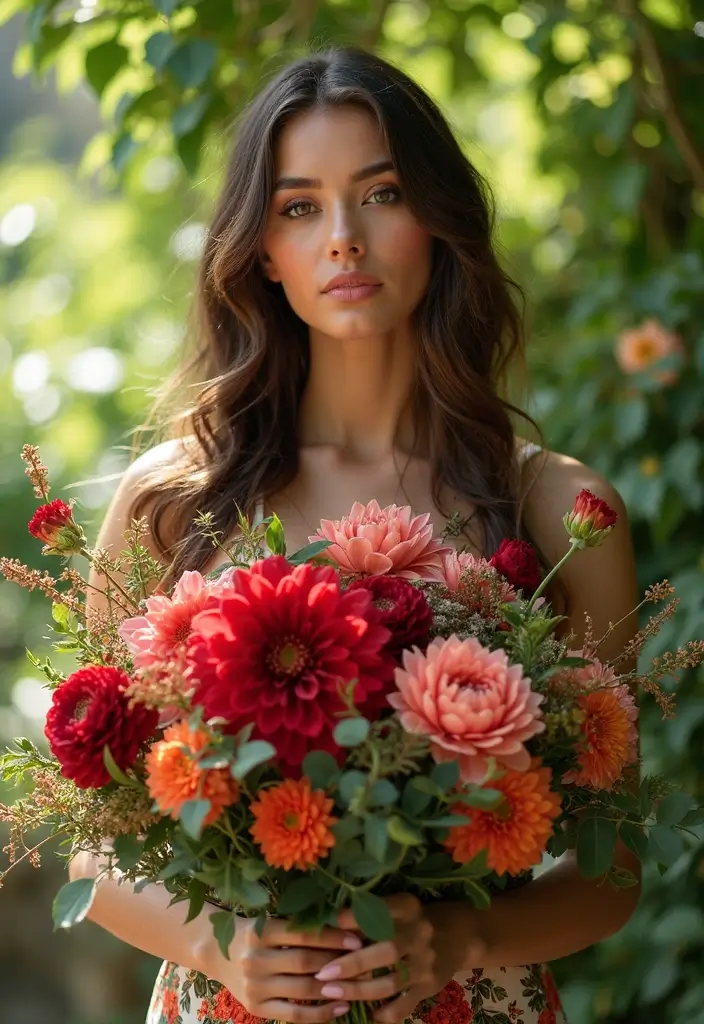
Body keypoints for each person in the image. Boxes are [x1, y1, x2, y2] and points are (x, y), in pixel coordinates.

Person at [72, 46, 641, 1024]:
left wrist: (461, 937)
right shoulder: (170, 503)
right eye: (298, 206)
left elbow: (613, 865)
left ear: (437, 218)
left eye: (378, 194)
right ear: (259, 248)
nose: (341, 238)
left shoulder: (555, 516)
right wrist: (221, 943)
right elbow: (92, 841)